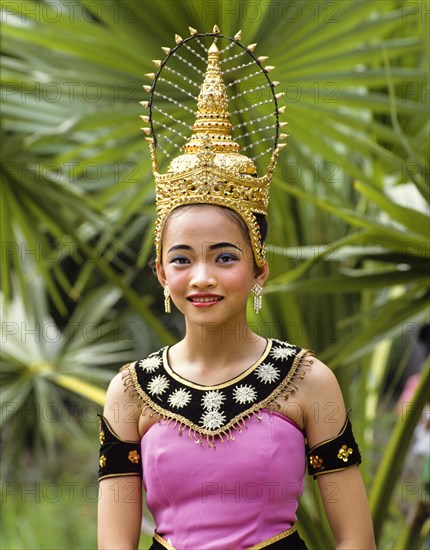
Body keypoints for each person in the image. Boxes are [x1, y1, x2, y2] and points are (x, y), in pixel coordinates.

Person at [98, 26, 376, 550]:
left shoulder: (307, 381)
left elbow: (356, 540)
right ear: (161, 272)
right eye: (182, 259)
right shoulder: (130, 392)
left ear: (259, 268)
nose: (202, 276)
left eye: (225, 257)